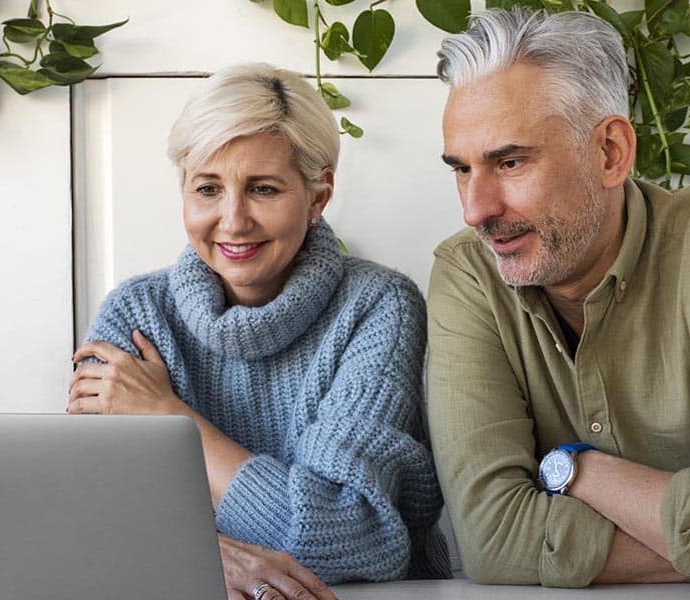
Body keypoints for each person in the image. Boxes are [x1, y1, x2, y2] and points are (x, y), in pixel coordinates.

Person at [426, 7, 690, 600]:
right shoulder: (468, 272)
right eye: (461, 169)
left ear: (610, 152)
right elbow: (491, 540)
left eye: (510, 162)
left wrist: (578, 471)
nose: (475, 210)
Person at [67, 63, 451, 600]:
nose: (233, 220)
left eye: (263, 189)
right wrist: (212, 557)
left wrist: (171, 418)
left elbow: (347, 536)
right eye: (207, 188)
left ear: (318, 197)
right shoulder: (136, 314)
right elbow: (85, 518)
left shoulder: (379, 308)